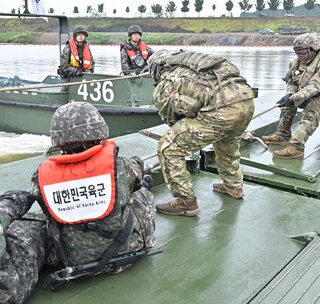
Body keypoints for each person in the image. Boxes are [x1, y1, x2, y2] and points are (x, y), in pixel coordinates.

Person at [30, 101, 156, 272]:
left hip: (70, 259)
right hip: (126, 250)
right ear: (98, 132)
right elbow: (136, 174)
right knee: (142, 195)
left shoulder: (39, 178)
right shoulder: (120, 167)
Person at [149, 50, 255, 217]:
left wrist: (186, 134)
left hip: (221, 111)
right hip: (246, 103)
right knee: (227, 141)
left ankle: (185, 202)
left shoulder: (166, 83)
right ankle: (233, 186)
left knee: (168, 147)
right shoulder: (196, 68)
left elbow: (172, 121)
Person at [261, 34, 320, 159]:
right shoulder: (297, 62)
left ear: (312, 49)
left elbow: (316, 86)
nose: (300, 56)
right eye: (297, 52)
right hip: (311, 93)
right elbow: (292, 81)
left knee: (312, 109)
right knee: (288, 105)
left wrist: (293, 97)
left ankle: (297, 147)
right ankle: (282, 135)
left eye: (303, 52)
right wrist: (290, 94)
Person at [58, 26, 95, 92]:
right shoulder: (68, 48)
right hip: (68, 76)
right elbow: (64, 66)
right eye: (79, 34)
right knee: (65, 90)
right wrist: (76, 71)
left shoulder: (87, 48)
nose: (81, 36)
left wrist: (88, 72)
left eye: (83, 35)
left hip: (82, 74)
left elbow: (92, 64)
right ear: (75, 36)